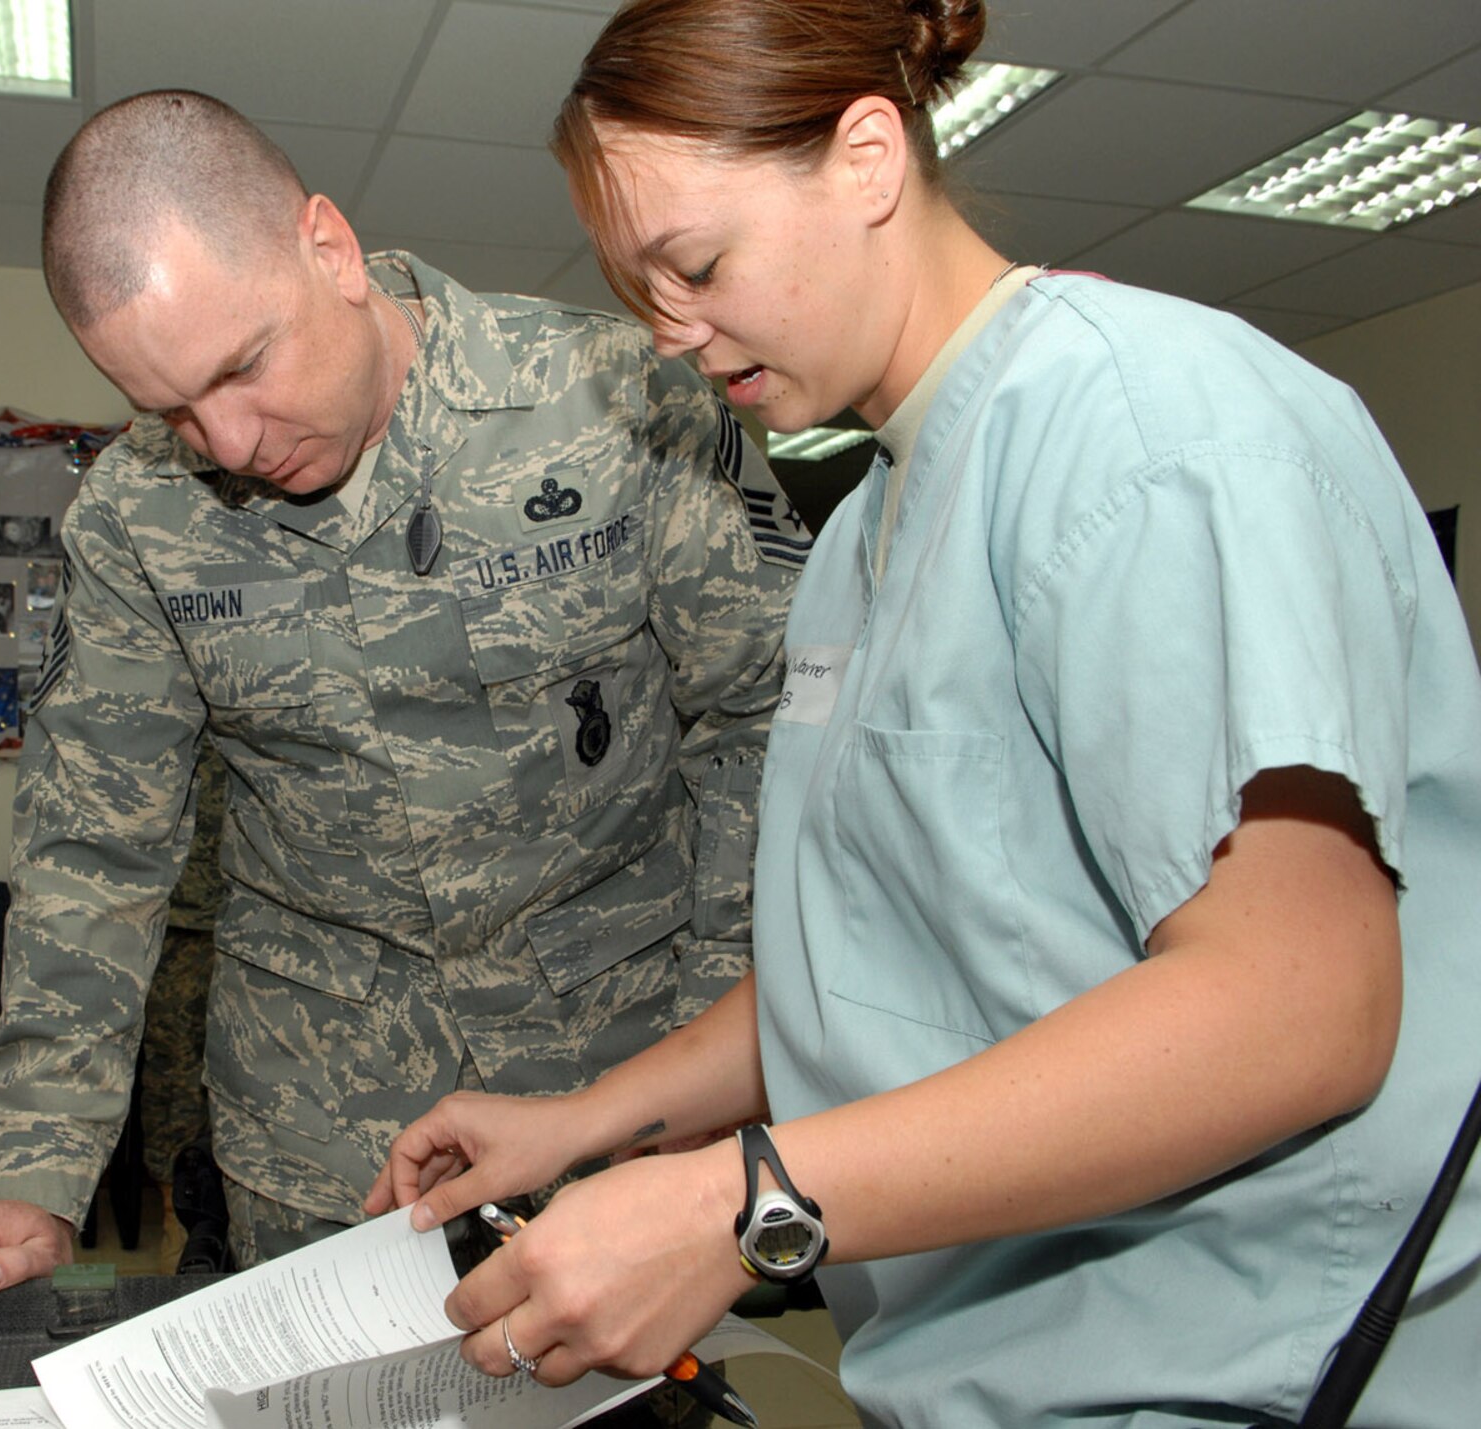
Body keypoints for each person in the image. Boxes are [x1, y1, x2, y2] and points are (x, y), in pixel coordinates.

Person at [368, 2, 1481, 1425]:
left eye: (695, 267)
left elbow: (1302, 1007)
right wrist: (584, 1122)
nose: (669, 334)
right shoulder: (860, 534)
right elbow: (881, 955)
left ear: (868, 157)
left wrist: (742, 1203)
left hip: (1248, 1366)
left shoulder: (1153, 434)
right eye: (638, 290)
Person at [0, 87, 801, 1340]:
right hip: (319, 1113)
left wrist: (719, 1057)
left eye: (241, 367)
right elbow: (93, 845)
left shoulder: (616, 400)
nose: (227, 441)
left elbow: (760, 727)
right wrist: (34, 1169)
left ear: (329, 249)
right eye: (173, 409)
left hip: (616, 1074)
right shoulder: (135, 518)